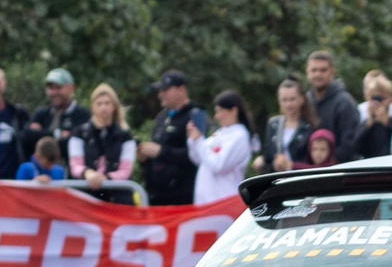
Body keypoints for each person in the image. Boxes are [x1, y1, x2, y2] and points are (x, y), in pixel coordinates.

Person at [70, 84, 139, 203]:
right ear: (92, 107)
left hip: (117, 199)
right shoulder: (79, 133)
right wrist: (88, 173)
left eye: (107, 103)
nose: (103, 107)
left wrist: (105, 178)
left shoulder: (125, 136)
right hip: (86, 198)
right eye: (99, 103)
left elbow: (126, 170)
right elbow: (75, 165)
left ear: (114, 106)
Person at [140, 71, 199, 205]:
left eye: (165, 90)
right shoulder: (162, 117)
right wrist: (145, 158)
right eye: (160, 90)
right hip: (157, 195)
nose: (160, 94)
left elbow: (196, 155)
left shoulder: (195, 115)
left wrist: (160, 152)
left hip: (183, 197)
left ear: (181, 89)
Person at [23, 67, 90, 170]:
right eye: (50, 88)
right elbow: (27, 137)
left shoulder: (82, 115)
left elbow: (73, 146)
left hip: (69, 179)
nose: (54, 92)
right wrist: (57, 134)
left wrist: (42, 135)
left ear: (71, 88)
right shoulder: (41, 113)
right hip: (40, 179)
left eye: (58, 87)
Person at [192, 91, 254, 203]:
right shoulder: (219, 133)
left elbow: (219, 165)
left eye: (220, 111)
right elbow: (198, 159)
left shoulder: (239, 136)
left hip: (225, 201)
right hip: (206, 201)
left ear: (234, 110)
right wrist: (193, 140)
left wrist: (199, 142)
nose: (217, 116)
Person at [303, 51, 362, 161]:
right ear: (307, 72)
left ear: (332, 72)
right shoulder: (305, 101)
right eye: (314, 70)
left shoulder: (345, 102)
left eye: (323, 70)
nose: (318, 74)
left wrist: (328, 164)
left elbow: (351, 142)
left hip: (337, 171)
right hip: (308, 170)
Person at [266, 76, 313, 171]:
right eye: (284, 100)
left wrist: (291, 165)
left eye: (292, 99)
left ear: (301, 99)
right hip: (276, 180)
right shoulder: (273, 124)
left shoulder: (310, 127)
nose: (288, 104)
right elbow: (268, 158)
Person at [355, 75, 392, 161]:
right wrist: (368, 124)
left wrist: (387, 124)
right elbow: (354, 147)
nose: (377, 103)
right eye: (374, 98)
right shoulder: (362, 121)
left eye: (381, 99)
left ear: (391, 99)